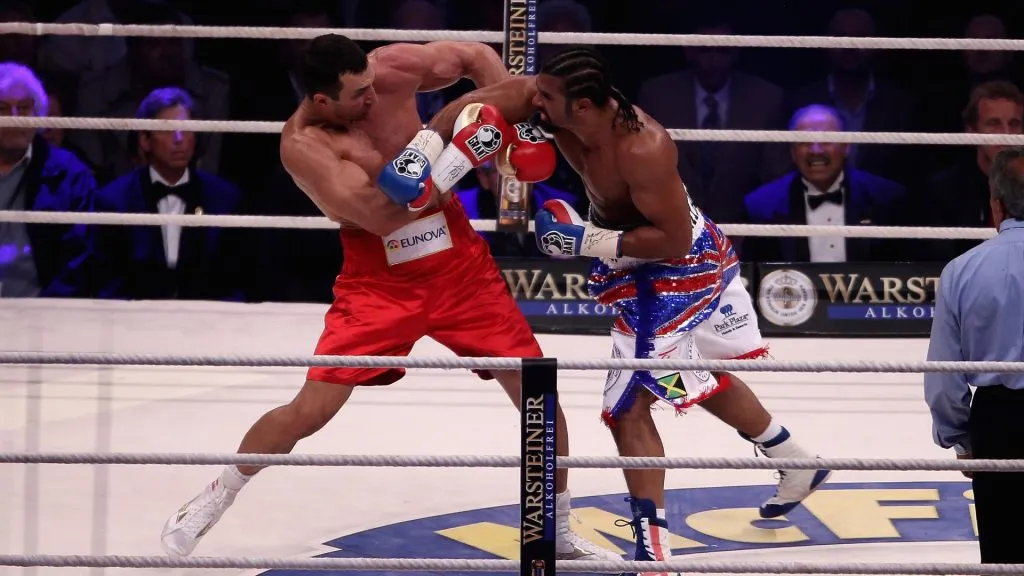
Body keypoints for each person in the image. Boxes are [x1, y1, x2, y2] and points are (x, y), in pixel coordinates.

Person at [159, 35, 619, 564]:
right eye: (358, 94)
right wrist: (459, 157)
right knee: (311, 409)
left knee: (537, 388)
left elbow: (478, 60)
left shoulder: (392, 69)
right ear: (322, 100)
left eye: (371, 84)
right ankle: (218, 494)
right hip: (378, 280)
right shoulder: (305, 145)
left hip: (458, 266)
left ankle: (554, 527)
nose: (373, 97)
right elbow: (382, 216)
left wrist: (507, 139)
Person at [426, 46, 832, 573]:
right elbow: (473, 104)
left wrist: (584, 240)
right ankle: (793, 457)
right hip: (633, 259)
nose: (536, 103)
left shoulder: (643, 148)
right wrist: (422, 152)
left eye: (548, 97)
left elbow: (672, 239)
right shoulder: (548, 102)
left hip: (674, 267)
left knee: (626, 408)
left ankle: (653, 555)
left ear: (584, 106)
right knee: (679, 372)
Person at [924, 145, 1024, 565]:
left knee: (1004, 554)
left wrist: (961, 440)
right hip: (997, 419)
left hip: (999, 421)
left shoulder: (962, 270)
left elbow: (945, 375)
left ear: (996, 206)